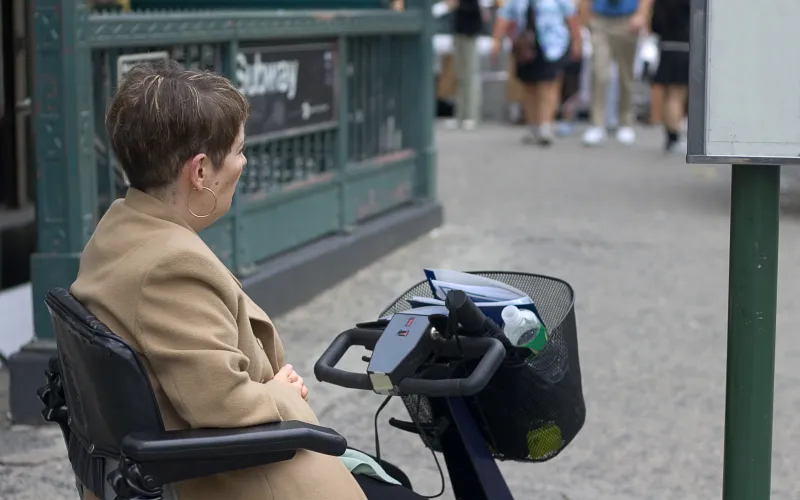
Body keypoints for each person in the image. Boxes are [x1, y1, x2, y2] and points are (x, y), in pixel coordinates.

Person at [70, 61, 424, 500]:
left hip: (203, 464)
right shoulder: (170, 268)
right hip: (236, 477)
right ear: (199, 172)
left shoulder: (117, 231)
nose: (244, 161)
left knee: (391, 480)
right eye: (238, 150)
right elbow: (222, 403)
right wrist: (279, 393)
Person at [491, 0, 582, 146]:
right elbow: (505, 15)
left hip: (552, 45)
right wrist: (496, 39)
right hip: (526, 47)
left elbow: (571, 16)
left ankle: (546, 125)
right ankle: (533, 125)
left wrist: (577, 40)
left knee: (549, 84)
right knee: (529, 86)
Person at [580, 0, 652, 146]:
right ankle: (597, 123)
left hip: (627, 19)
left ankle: (625, 121)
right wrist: (585, 16)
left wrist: (641, 14)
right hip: (600, 19)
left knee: (626, 75)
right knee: (599, 73)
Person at [650, 0, 690, 152]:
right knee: (676, 94)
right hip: (683, 47)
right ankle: (674, 136)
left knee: (668, 94)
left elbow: (655, 25)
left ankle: (670, 136)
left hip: (666, 47)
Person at [445, 0, 489, 130]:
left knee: (470, 75)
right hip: (459, 31)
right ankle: (460, 115)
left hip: (470, 32)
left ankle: (471, 115)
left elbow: (475, 9)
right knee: (460, 75)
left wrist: (458, 4)